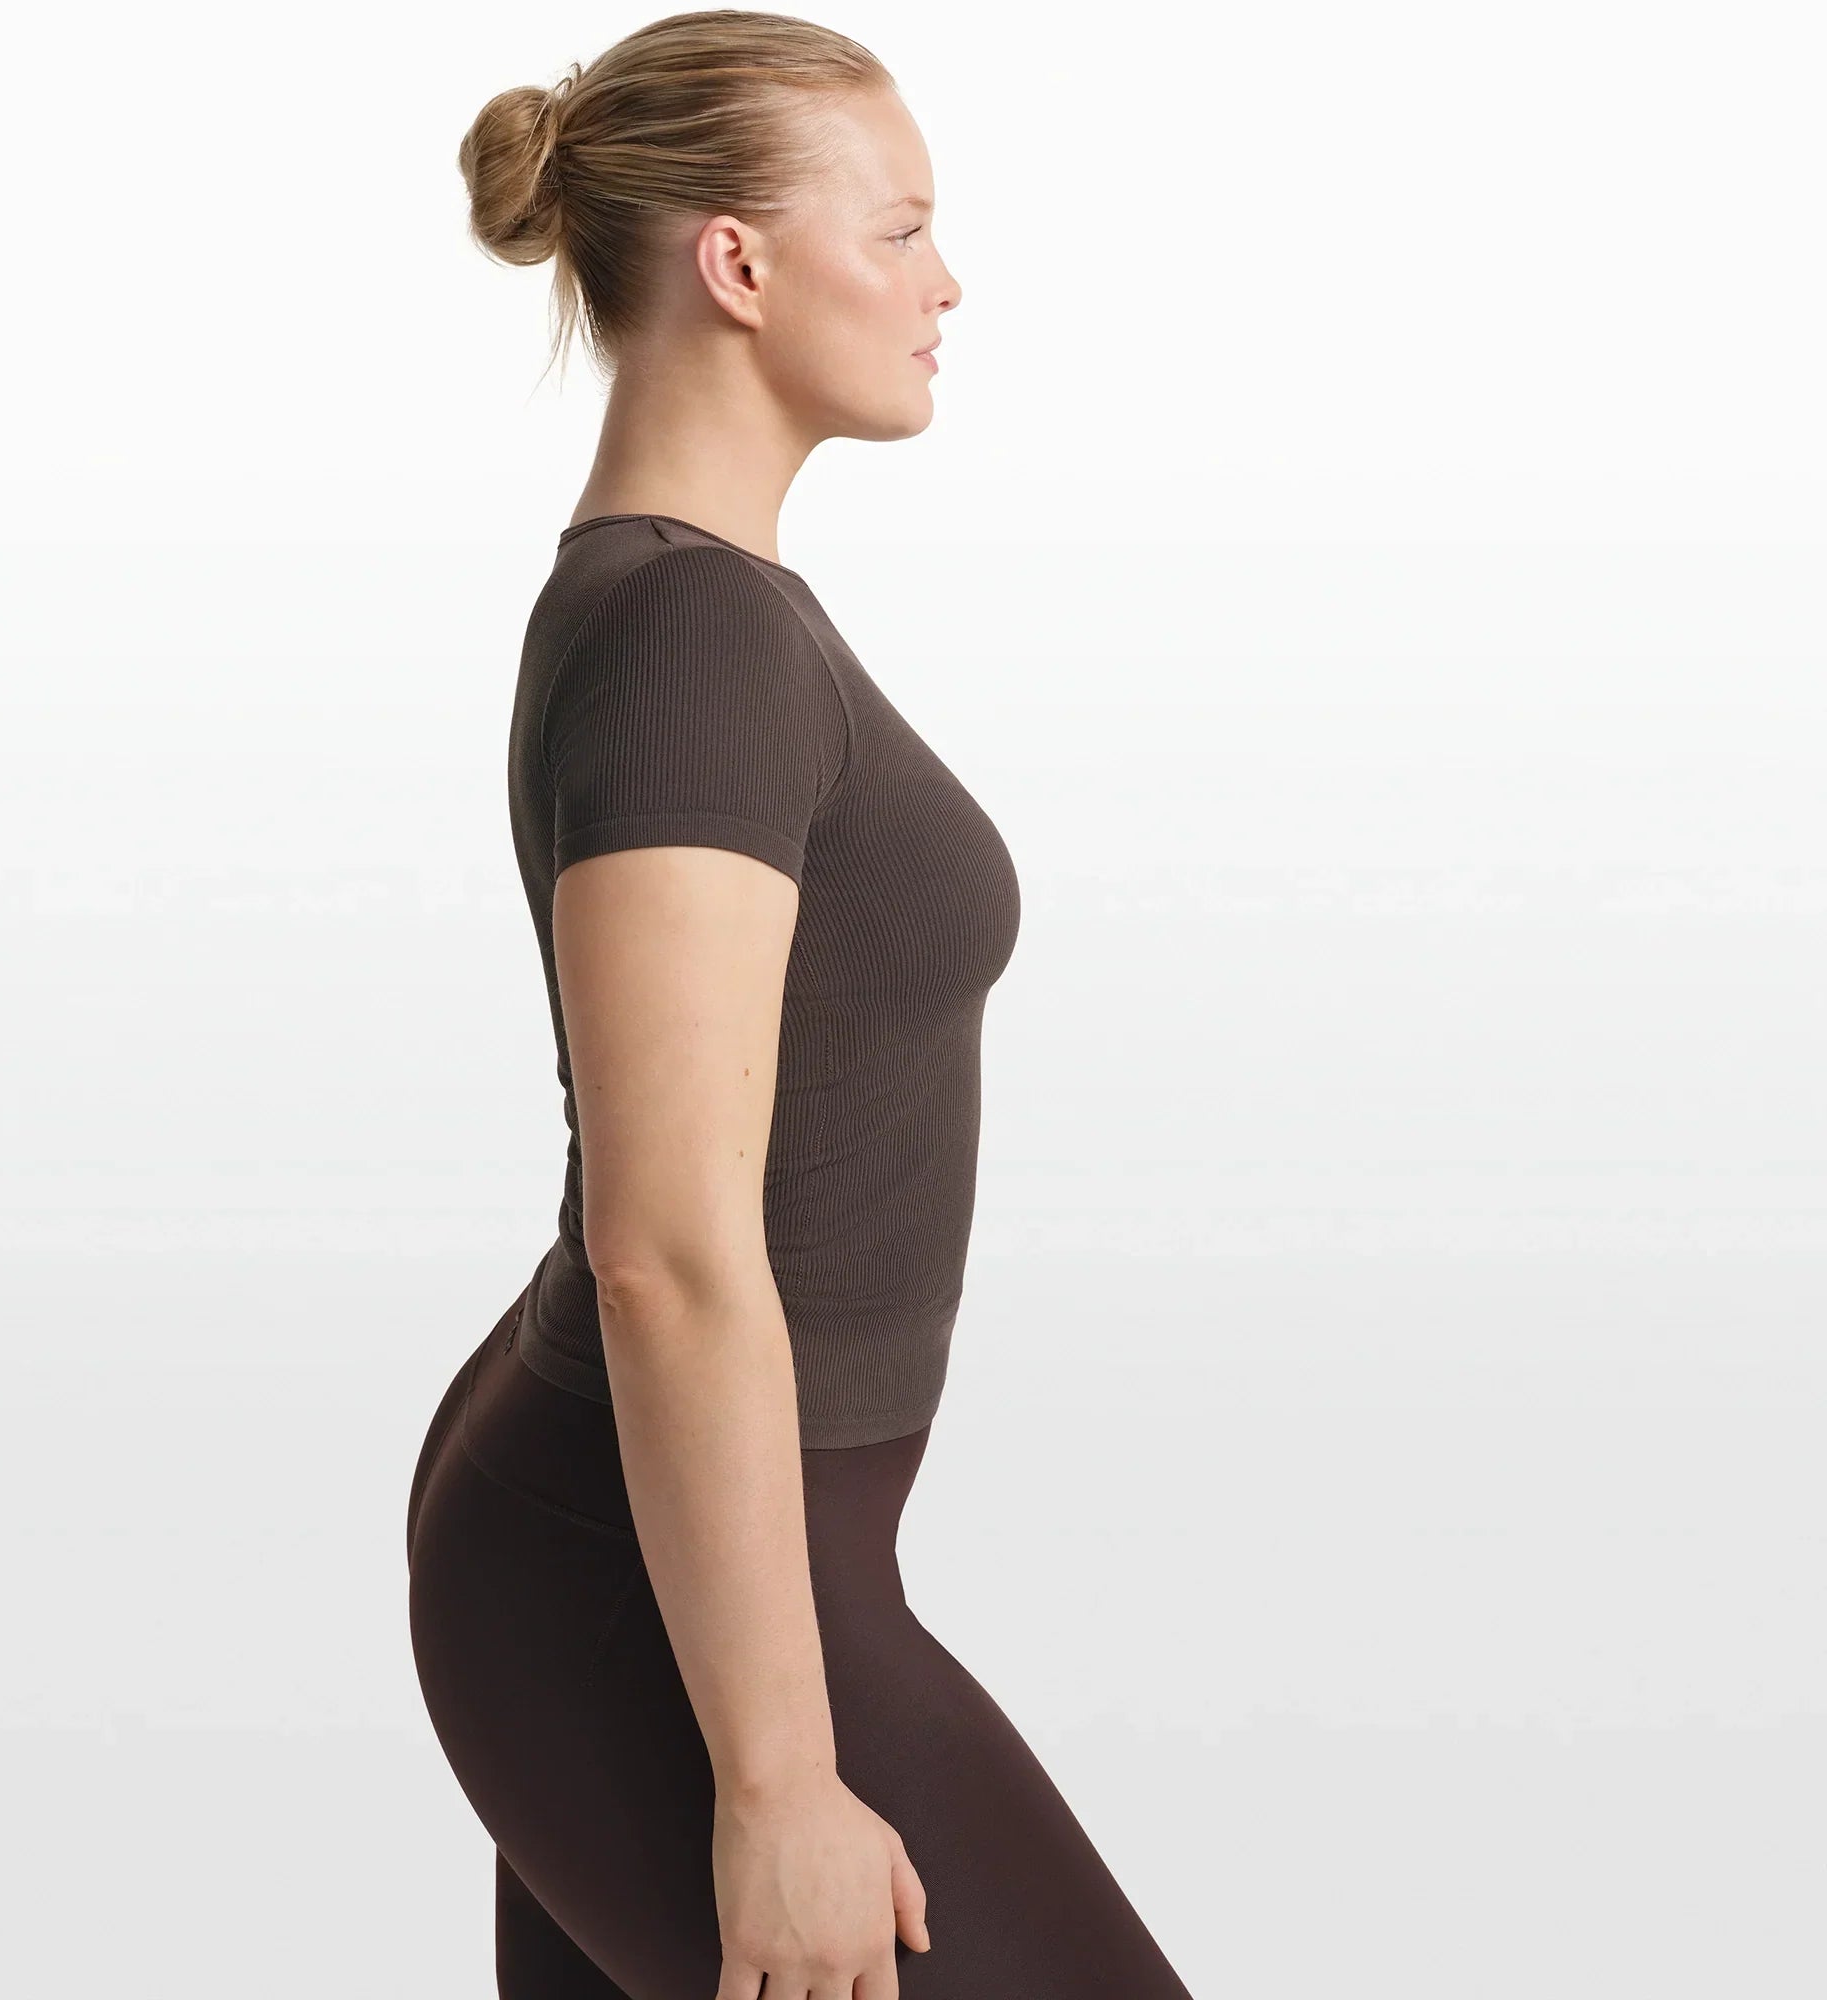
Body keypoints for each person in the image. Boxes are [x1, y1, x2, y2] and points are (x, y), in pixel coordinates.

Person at [406, 13, 1199, 1995]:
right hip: (640, 1570)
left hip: (654, 1533)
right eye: (903, 228)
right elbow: (668, 1243)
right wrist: (775, 1780)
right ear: (738, 265)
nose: (949, 283)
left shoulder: (699, 604)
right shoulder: (691, 636)